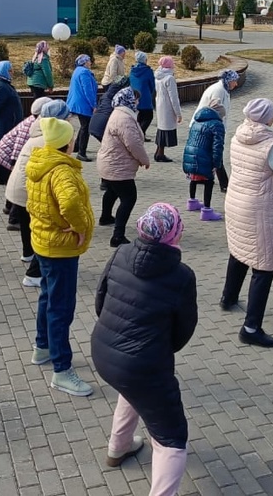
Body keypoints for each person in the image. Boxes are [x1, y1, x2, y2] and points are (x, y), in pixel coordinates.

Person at [92, 203, 197, 494]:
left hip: (104, 351)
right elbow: (184, 329)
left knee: (133, 389)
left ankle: (119, 447)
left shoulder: (121, 252)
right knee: (172, 438)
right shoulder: (181, 275)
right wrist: (157, 350)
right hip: (143, 364)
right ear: (173, 234)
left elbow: (100, 300)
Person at [220, 98, 273, 348]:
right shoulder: (271, 146)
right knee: (264, 265)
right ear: (267, 118)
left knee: (239, 249)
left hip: (235, 202)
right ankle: (251, 328)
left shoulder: (237, 136)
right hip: (258, 209)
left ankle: (228, 297)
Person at [26, 116, 96, 397]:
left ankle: (42, 346)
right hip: (60, 247)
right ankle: (62, 370)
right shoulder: (62, 170)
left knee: (48, 295)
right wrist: (80, 226)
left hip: (43, 242)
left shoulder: (40, 161)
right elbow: (69, 202)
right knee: (61, 307)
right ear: (67, 143)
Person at [9, 100, 71, 287]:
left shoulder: (37, 131)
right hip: (28, 189)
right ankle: (33, 274)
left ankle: (28, 254)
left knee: (28, 224)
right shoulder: (51, 140)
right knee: (45, 231)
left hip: (18, 187)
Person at [98, 88, 152, 247]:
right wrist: (144, 160)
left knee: (112, 191)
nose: (137, 102)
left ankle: (105, 217)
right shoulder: (125, 119)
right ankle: (117, 236)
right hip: (117, 166)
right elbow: (133, 144)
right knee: (129, 198)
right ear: (129, 100)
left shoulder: (119, 113)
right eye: (135, 99)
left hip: (109, 163)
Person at [0, 96, 51, 202]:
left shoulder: (34, 121)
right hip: (2, 161)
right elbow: (19, 145)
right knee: (17, 183)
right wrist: (15, 165)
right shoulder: (30, 125)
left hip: (3, 158)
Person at [183, 97, 226, 221]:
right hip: (204, 156)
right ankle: (207, 211)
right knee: (209, 181)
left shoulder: (197, 121)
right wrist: (216, 164)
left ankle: (192, 202)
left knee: (193, 178)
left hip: (190, 154)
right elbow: (218, 146)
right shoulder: (217, 125)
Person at [66, 54, 98, 161]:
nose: (90, 62)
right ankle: (81, 153)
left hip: (76, 102)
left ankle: (77, 146)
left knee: (84, 125)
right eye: (88, 61)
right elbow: (88, 90)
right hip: (83, 104)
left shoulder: (77, 70)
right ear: (84, 62)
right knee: (86, 127)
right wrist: (94, 105)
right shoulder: (84, 72)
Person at [0, 60, 23, 151]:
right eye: (10, 71)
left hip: (7, 122)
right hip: (3, 124)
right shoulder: (1, 86)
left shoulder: (5, 84)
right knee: (1, 149)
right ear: (3, 71)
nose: (12, 73)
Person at [153, 55, 182, 162]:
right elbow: (174, 97)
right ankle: (160, 153)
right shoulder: (169, 78)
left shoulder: (158, 76)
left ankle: (158, 152)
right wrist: (178, 113)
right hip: (168, 107)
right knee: (165, 130)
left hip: (160, 105)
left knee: (161, 129)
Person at [129, 51, 156, 139]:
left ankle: (140, 134)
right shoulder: (148, 71)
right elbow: (152, 84)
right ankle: (140, 133)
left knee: (140, 115)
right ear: (144, 60)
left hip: (134, 96)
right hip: (145, 96)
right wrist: (151, 92)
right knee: (149, 116)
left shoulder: (132, 70)